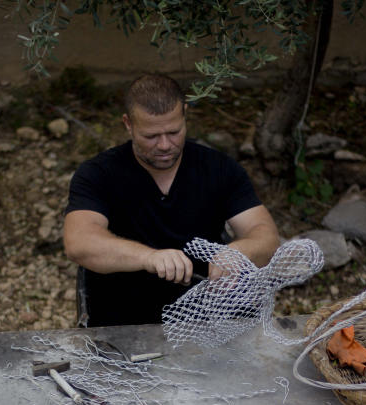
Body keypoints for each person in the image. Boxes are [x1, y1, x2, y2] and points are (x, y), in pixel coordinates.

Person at [63, 73, 281, 327]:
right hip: (121, 321)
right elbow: (78, 242)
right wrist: (150, 258)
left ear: (185, 115)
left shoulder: (220, 169)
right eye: (151, 136)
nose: (165, 144)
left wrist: (238, 252)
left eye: (174, 132)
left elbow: (266, 237)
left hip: (207, 316)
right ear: (128, 124)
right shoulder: (98, 173)